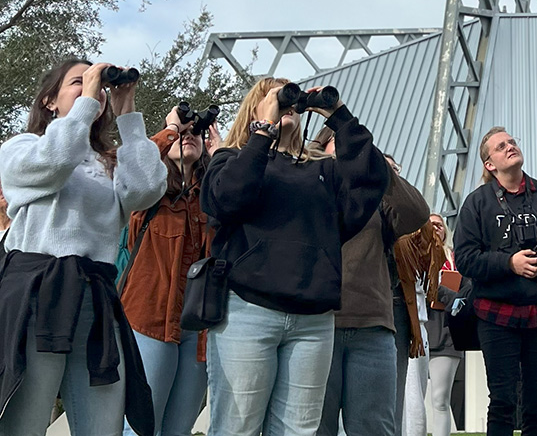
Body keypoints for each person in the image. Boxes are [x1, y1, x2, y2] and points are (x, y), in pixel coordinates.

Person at [200, 78, 389, 435]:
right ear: (257, 108)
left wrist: (338, 116)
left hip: (313, 320)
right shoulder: (231, 159)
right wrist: (262, 132)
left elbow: (371, 181)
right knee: (236, 426)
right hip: (248, 311)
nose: (288, 105)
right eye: (277, 97)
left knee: (298, 431)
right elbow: (227, 201)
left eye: (291, 99)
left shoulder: (324, 170)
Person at [0, 57, 167, 435]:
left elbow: (145, 190)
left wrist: (128, 114)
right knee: (24, 422)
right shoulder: (23, 147)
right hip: (37, 296)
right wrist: (87, 103)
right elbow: (55, 162)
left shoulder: (109, 162)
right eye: (78, 82)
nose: (91, 90)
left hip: (95, 299)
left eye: (95, 85)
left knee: (103, 425)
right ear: (49, 101)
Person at [454, 127, 537, 436]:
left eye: (512, 142)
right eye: (501, 146)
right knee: (501, 401)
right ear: (490, 164)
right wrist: (509, 263)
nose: (510, 147)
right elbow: (464, 259)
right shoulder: (477, 203)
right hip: (496, 314)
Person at [317, 146, 437, 436]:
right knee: (316, 426)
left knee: (378, 426)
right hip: (319, 322)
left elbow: (417, 214)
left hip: (376, 321)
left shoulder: (377, 198)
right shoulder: (313, 186)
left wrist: (378, 170)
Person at [118, 107, 222, 436]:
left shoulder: (214, 195)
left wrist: (221, 157)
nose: (189, 136)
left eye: (197, 132)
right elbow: (135, 168)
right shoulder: (149, 191)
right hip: (149, 321)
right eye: (184, 131)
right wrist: (170, 129)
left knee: (178, 430)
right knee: (139, 429)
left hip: (199, 330)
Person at [426, 213, 466, 436]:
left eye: (440, 225)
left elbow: (468, 289)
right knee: (409, 398)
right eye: (431, 224)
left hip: (447, 334)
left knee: (441, 399)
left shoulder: (456, 258)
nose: (437, 228)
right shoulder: (413, 254)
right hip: (418, 332)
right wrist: (449, 295)